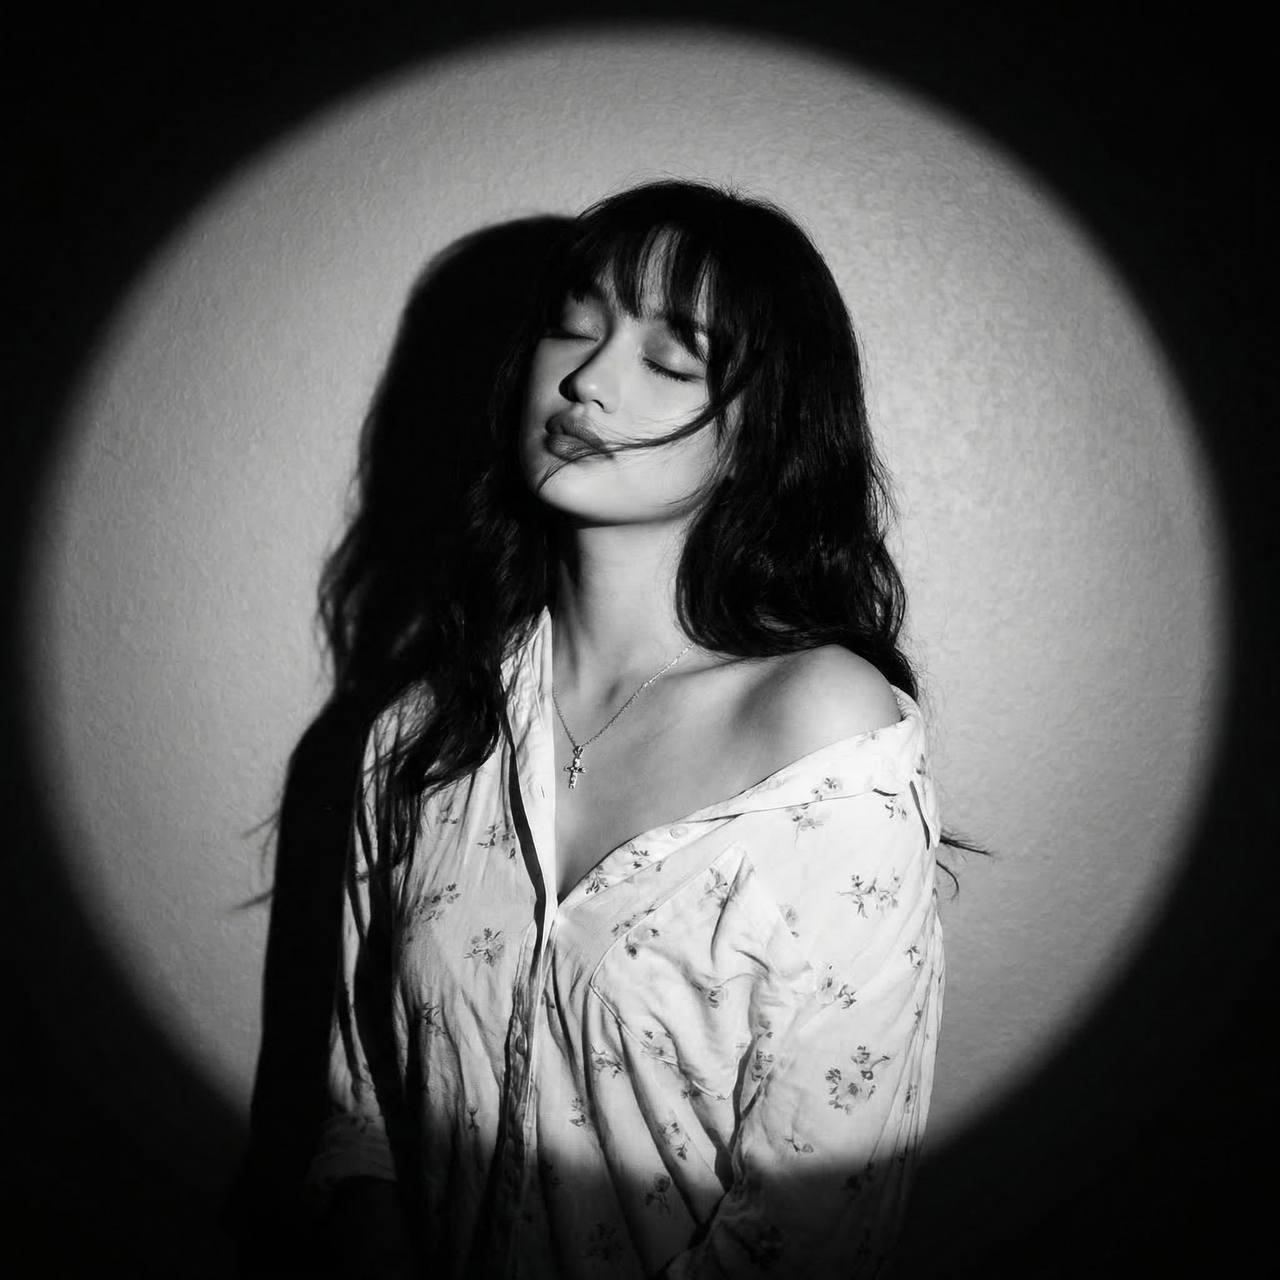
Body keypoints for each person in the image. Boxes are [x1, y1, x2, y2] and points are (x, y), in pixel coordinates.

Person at [307, 179, 948, 1279]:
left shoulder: (822, 730)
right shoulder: (422, 728)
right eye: (574, 324)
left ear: (761, 433)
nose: (588, 380)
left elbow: (810, 1231)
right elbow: (363, 1110)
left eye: (671, 359)